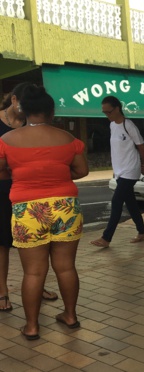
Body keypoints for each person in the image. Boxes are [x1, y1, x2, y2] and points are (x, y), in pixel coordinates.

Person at [0, 85, 89, 340]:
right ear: (51, 112)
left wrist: (22, 176)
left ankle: (31, 327)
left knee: (34, 272)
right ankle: (70, 316)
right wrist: (56, 176)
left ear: (24, 110)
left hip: (28, 209)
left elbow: (1, 171)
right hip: (65, 207)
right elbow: (82, 171)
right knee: (66, 267)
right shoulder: (69, 140)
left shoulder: (6, 141)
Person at [0, 83, 59, 313]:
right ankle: (2, 291)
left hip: (30, 191)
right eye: (25, 105)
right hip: (3, 189)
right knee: (3, 242)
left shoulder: (30, 122)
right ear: (13, 101)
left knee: (38, 242)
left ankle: (37, 286)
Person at [90, 96, 144, 248]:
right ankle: (142, 232)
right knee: (131, 203)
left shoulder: (128, 125)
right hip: (120, 171)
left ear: (117, 108)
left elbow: (141, 147)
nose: (107, 116)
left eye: (108, 112)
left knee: (116, 202)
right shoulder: (112, 126)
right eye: (104, 113)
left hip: (131, 170)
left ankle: (106, 238)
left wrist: (143, 165)